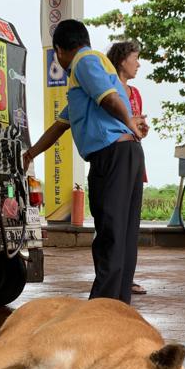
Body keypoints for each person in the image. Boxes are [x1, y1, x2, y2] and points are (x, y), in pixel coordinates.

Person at [23, 19, 148, 303]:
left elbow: (110, 100)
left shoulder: (84, 61)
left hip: (112, 156)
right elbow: (60, 125)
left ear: (59, 49)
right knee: (123, 235)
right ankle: (116, 306)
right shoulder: (90, 78)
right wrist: (31, 153)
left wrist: (130, 122)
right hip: (126, 154)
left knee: (110, 235)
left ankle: (100, 308)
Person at [107, 39, 148, 295]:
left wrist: (141, 129)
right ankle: (113, 280)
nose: (138, 64)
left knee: (131, 224)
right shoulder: (108, 89)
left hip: (133, 152)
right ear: (122, 60)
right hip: (115, 155)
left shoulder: (135, 93)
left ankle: (125, 279)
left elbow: (137, 129)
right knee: (114, 223)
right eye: (135, 58)